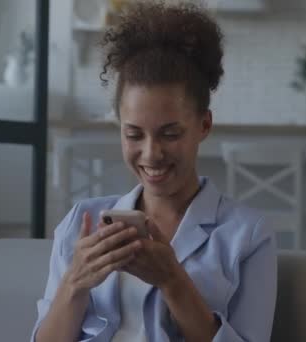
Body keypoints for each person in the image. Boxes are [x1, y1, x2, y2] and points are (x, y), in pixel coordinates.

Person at [32, 2, 277, 341]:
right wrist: (75, 282)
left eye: (170, 133)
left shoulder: (246, 236)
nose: (151, 154)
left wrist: (172, 281)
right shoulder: (81, 223)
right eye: (133, 134)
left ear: (204, 124)